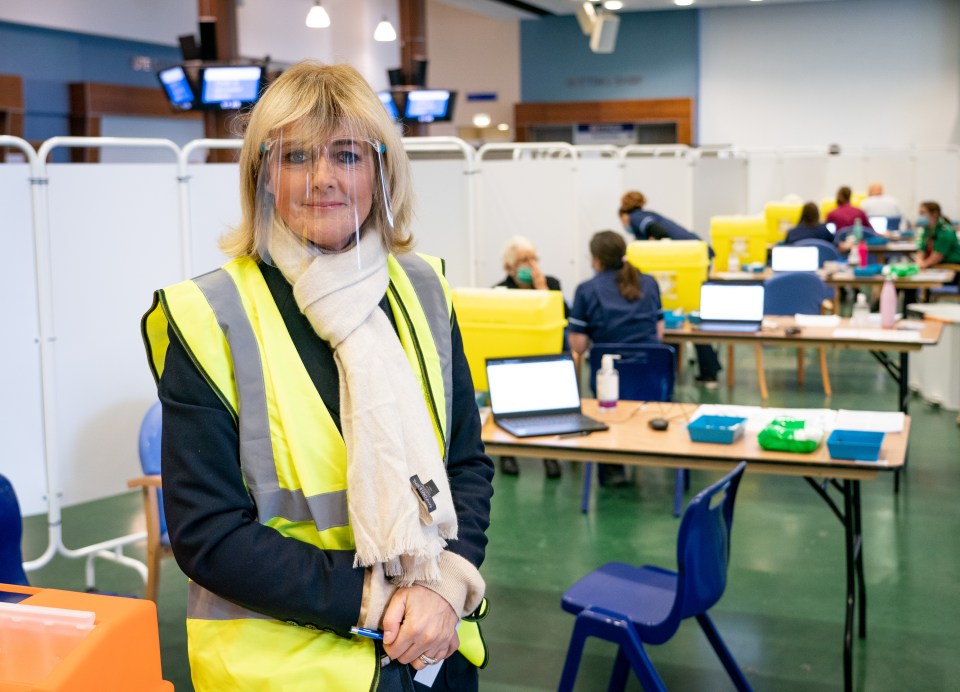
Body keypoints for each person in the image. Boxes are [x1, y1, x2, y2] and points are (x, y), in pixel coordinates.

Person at [140, 61, 494, 691]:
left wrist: (444, 586)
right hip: (291, 665)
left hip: (433, 648)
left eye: (349, 156)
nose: (323, 178)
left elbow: (465, 464)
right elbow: (208, 534)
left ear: (382, 171)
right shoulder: (208, 316)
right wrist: (377, 602)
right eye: (296, 155)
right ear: (263, 174)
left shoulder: (424, 290)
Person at [568, 231, 664, 487]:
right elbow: (659, 333)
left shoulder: (586, 290)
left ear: (596, 259)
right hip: (654, 377)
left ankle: (612, 467)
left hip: (609, 385)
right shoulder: (650, 283)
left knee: (607, 387)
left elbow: (578, 345)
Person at [618, 191, 721, 387]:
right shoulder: (650, 214)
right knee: (690, 314)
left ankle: (698, 370)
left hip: (690, 260)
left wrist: (653, 246)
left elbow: (660, 233)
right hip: (696, 256)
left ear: (624, 215)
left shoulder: (637, 218)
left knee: (687, 314)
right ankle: (707, 372)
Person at [494, 236, 567, 479]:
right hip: (512, 358)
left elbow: (563, 317)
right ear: (510, 267)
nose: (531, 264)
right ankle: (507, 452)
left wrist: (541, 288)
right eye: (524, 260)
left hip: (544, 356)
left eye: (534, 258)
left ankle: (550, 454)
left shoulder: (551, 284)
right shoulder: (499, 291)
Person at [916, 200, 960, 269]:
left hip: (952, 265)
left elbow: (937, 256)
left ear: (935, 214)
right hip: (937, 265)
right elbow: (921, 250)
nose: (921, 216)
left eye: (923, 213)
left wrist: (922, 265)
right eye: (920, 214)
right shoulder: (927, 230)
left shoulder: (945, 231)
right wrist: (919, 262)